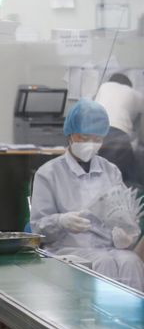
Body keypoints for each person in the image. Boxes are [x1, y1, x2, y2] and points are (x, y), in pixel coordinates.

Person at [30, 98, 144, 291]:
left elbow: (123, 215)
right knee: (103, 263)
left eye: (97, 139)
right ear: (70, 134)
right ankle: (97, 320)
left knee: (131, 261)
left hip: (107, 247)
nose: (91, 144)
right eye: (84, 138)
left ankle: (134, 320)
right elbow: (37, 227)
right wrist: (61, 221)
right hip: (67, 247)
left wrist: (125, 234)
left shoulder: (111, 170)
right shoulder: (48, 173)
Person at [94, 73, 144, 187]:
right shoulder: (134, 93)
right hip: (117, 135)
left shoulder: (103, 87)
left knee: (98, 172)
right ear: (128, 85)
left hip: (94, 133)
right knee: (129, 176)